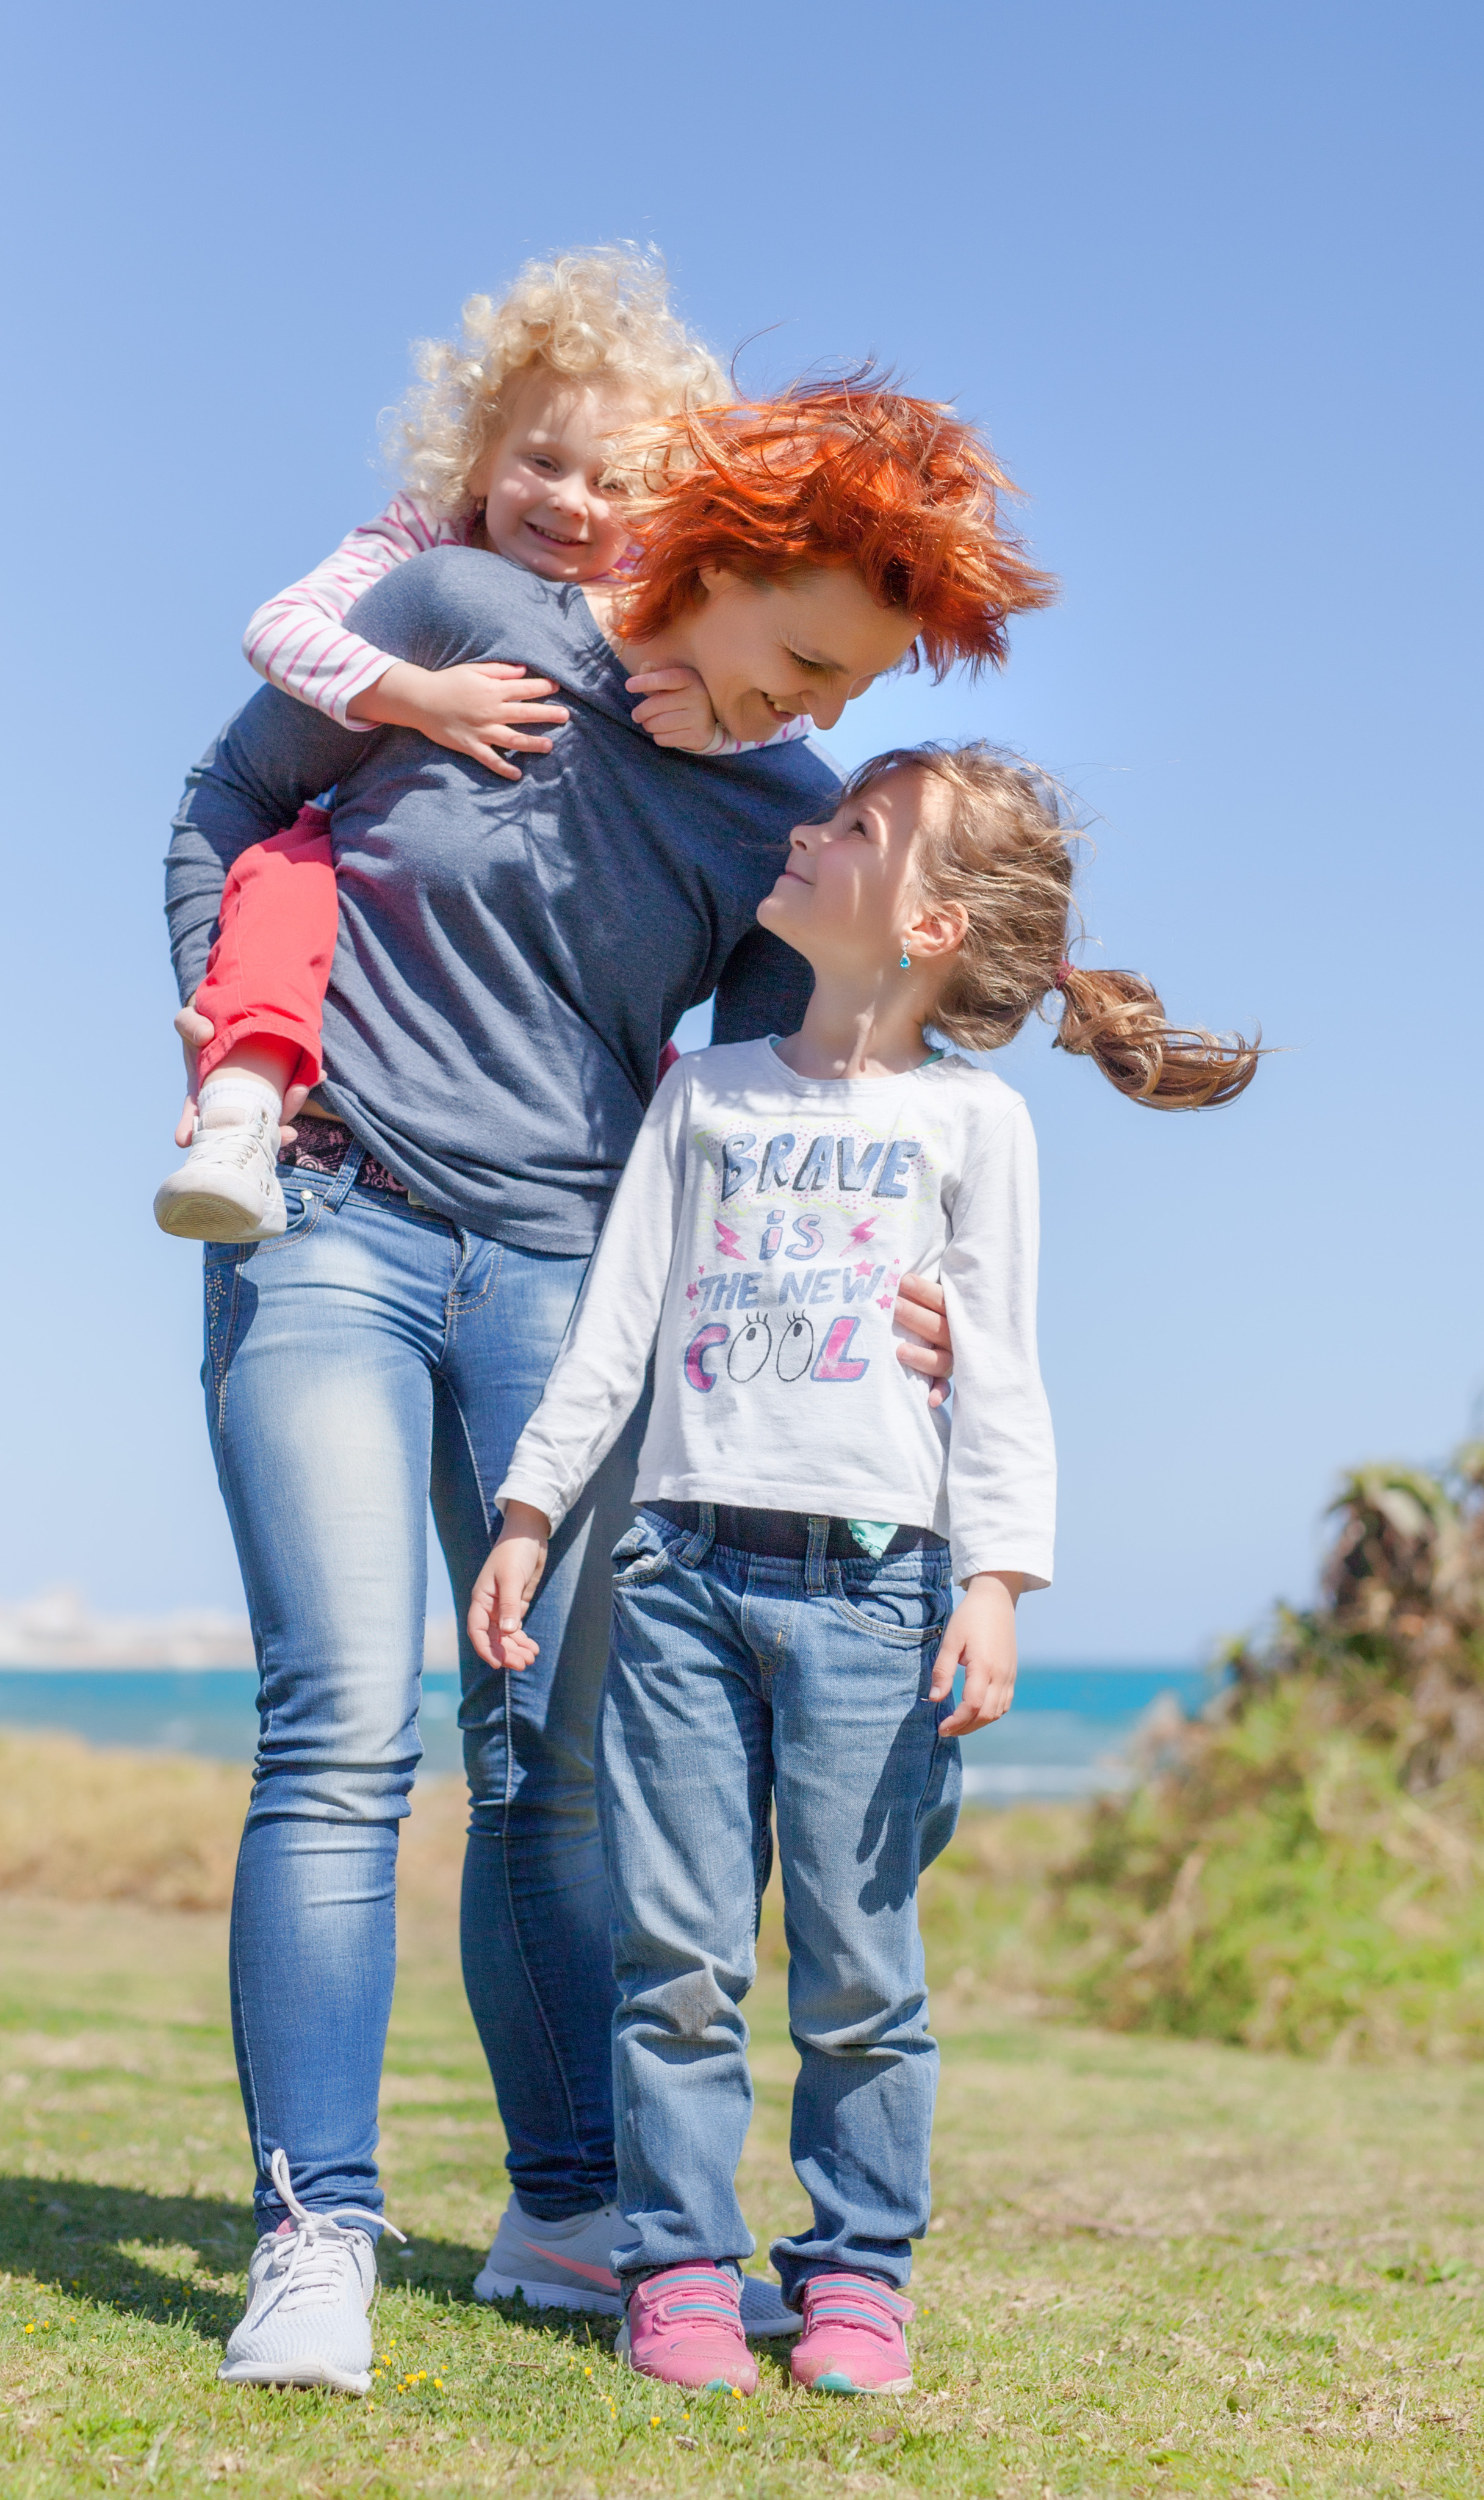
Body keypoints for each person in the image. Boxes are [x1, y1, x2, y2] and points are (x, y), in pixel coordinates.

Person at [164, 380, 1054, 2394]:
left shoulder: (774, 815)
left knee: (541, 1763)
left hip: (565, 1285)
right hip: (332, 1219)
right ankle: (317, 2229)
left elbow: (803, 1091)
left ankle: (565, 2208)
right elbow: (223, 810)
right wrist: (231, 1059)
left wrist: (902, 1293)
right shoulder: (474, 606)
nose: (805, 709)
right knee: (338, 1720)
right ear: (727, 552)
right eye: (803, 654)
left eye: (848, 684)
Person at [474, 740, 1259, 2398]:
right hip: (679, 1576)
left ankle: (855, 2276)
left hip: (882, 1596)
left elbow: (1005, 1367)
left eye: (856, 830)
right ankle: (676, 2266)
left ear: (928, 926)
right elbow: (617, 1333)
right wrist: (536, 1512)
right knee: (676, 1956)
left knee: (856, 1966)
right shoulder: (705, 1093)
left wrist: (999, 1582)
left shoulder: (975, 1125)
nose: (808, 832)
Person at [156, 248, 806, 1246]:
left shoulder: (644, 600)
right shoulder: (424, 547)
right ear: (480, 456)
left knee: (655, 1082)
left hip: (555, 1184)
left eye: (614, 481)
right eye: (542, 462)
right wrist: (419, 696)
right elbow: (278, 631)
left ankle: (630, 1212)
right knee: (285, 886)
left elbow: (786, 720)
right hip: (351, 912)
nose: (573, 501)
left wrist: (720, 724)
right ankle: (245, 1106)